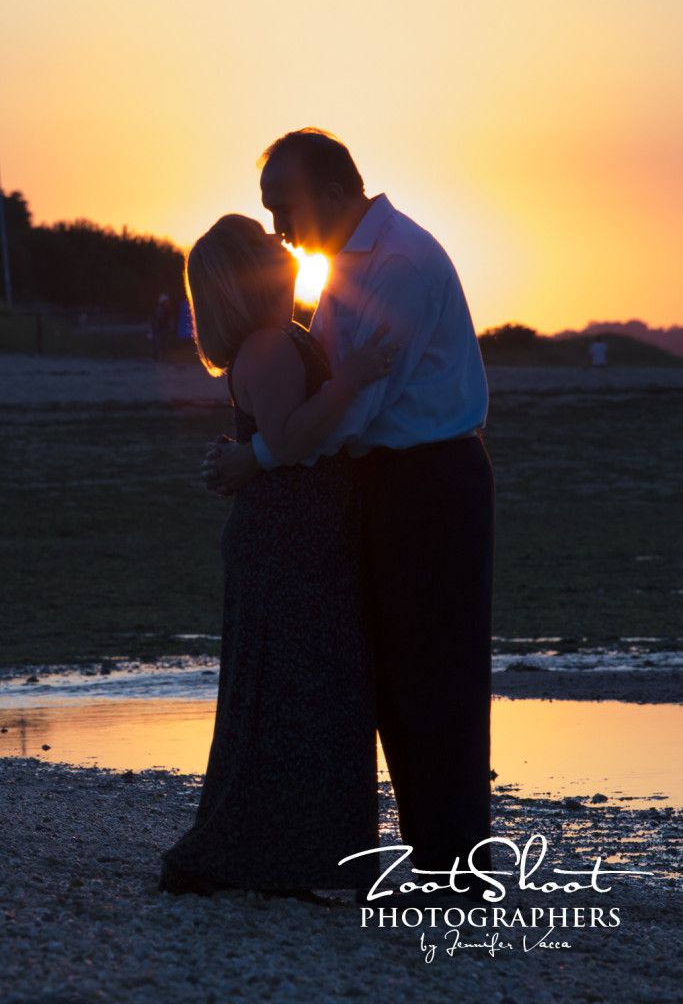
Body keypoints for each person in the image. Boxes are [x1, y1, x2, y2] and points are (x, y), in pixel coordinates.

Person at [204, 130, 495, 901]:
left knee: (433, 673)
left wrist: (257, 457)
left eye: (283, 207)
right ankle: (433, 859)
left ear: (332, 192)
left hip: (427, 480)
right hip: (384, 483)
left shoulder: (394, 265)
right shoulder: (345, 267)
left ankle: (453, 870)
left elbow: (348, 409)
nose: (277, 229)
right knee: (394, 676)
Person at [160, 214, 397, 899]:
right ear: (244, 275)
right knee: (295, 699)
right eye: (262, 245)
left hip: (300, 539)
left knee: (313, 698)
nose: (280, 242)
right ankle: (270, 857)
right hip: (285, 544)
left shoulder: (282, 337)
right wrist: (348, 381)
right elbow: (290, 440)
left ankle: (300, 858)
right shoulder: (266, 346)